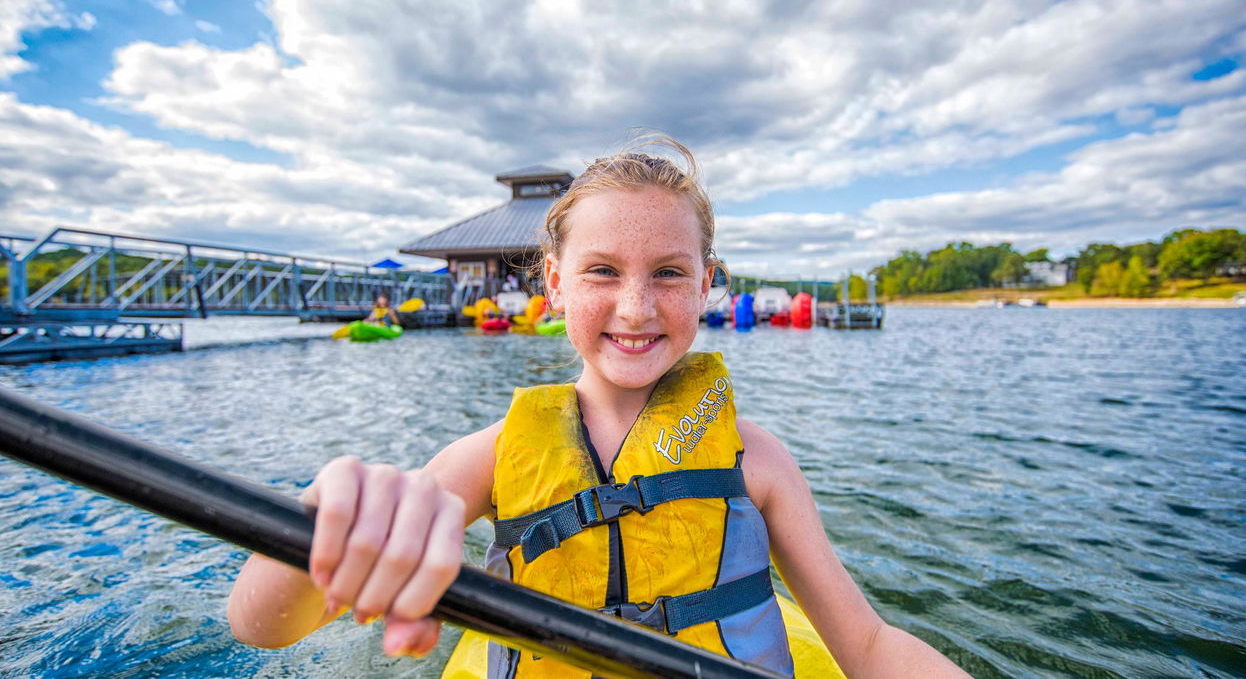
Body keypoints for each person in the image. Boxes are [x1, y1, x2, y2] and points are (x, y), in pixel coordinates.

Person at [228, 136, 970, 678]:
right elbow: (261, 626)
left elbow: (867, 645)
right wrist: (320, 520)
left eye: (669, 273)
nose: (636, 307)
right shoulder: (485, 460)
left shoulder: (761, 463)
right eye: (603, 272)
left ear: (707, 283)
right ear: (555, 283)